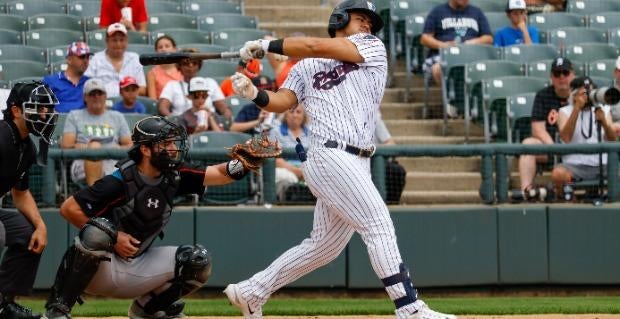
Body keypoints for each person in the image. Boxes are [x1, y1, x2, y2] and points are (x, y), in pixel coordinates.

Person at [225, 1, 456, 319]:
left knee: (323, 246)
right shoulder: (305, 67)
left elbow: (312, 44)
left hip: (356, 159)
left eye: (370, 22)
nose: (367, 25)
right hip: (328, 154)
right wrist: (253, 93)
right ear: (341, 19)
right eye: (361, 19)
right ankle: (410, 308)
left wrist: (266, 44)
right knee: (377, 225)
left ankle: (252, 291)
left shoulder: (371, 46)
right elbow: (282, 101)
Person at [44, 115, 269, 319]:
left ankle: (147, 310)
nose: (172, 148)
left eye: (173, 142)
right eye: (165, 143)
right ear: (145, 149)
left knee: (197, 261)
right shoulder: (119, 181)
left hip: (139, 265)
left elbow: (220, 174)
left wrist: (248, 158)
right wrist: (115, 237)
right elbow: (68, 208)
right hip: (102, 268)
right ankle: (58, 308)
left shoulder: (175, 175)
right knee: (97, 231)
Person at [0, 81, 59, 319]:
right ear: (16, 110)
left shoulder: (27, 147)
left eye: (47, 109)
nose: (45, 114)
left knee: (28, 233)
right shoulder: (1, 136)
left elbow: (21, 193)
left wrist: (41, 225)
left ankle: (4, 303)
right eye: (38, 108)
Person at [551, 77, 617, 197]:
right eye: (584, 93)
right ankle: (568, 199)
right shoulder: (564, 112)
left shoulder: (604, 110)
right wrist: (577, 108)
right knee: (558, 174)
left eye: (590, 92)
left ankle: (614, 200)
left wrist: (605, 124)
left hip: (603, 165)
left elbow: (613, 140)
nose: (588, 97)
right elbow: (566, 138)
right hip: (574, 168)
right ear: (574, 95)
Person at [518, 57, 574, 195]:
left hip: (575, 148)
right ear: (551, 77)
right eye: (557, 74)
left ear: (573, 75)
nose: (561, 77)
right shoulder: (543, 95)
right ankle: (527, 191)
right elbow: (537, 129)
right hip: (549, 148)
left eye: (565, 73)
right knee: (528, 145)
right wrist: (554, 148)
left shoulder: (579, 96)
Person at [62, 78, 132, 186]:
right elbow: (67, 144)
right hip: (83, 162)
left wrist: (114, 149)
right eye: (92, 94)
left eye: (100, 93)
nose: (96, 97)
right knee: (94, 147)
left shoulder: (117, 117)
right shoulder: (74, 116)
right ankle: (95, 196)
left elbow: (129, 145)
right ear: (85, 97)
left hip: (112, 162)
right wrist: (93, 148)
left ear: (105, 96)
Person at [420, 0, 493, 87]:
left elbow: (488, 38)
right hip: (443, 57)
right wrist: (443, 45)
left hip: (471, 56)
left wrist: (472, 43)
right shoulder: (437, 11)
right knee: (438, 69)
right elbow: (424, 38)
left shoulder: (477, 12)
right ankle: (450, 98)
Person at [157, 49, 231, 122]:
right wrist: (175, 121)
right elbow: (162, 108)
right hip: (182, 126)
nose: (190, 66)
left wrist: (225, 121)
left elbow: (223, 108)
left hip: (209, 123)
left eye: (194, 63)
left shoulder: (210, 83)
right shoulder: (172, 85)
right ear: (179, 66)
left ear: (199, 65)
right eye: (186, 63)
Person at [85, 23, 147, 98]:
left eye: (122, 40)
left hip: (129, 104)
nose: (118, 44)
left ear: (127, 41)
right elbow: (87, 87)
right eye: (114, 40)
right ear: (107, 41)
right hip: (103, 104)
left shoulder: (134, 58)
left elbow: (142, 89)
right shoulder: (95, 59)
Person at [269, 104, 309, 200]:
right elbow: (275, 159)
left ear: (303, 116)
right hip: (287, 170)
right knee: (282, 176)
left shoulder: (312, 133)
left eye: (298, 112)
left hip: (309, 171)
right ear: (286, 114)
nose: (294, 115)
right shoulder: (275, 132)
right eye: (291, 111)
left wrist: (307, 171)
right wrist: (297, 171)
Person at [43, 42, 93, 113]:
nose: (85, 61)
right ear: (69, 59)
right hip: (59, 122)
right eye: (81, 57)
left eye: (87, 57)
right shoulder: (51, 81)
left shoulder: (90, 82)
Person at [147, 35, 183, 100]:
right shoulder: (152, 73)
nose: (164, 49)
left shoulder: (183, 69)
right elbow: (153, 101)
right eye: (160, 47)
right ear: (156, 51)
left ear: (174, 49)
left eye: (167, 46)